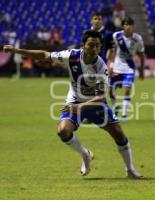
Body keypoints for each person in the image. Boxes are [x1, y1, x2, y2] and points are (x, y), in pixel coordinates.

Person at [3, 30, 143, 179]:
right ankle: (85, 154)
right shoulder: (71, 56)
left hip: (95, 104)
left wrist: (80, 107)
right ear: (83, 45)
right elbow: (44, 55)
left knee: (119, 134)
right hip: (75, 100)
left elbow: (101, 97)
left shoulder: (101, 67)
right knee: (63, 130)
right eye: (91, 45)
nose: (94, 49)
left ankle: (130, 169)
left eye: (97, 46)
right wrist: (16, 50)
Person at [107, 16, 145, 121]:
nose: (128, 26)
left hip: (129, 68)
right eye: (126, 24)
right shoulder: (116, 36)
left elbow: (141, 54)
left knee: (127, 89)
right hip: (116, 67)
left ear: (133, 26)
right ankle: (115, 107)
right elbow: (112, 51)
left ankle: (124, 115)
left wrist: (141, 71)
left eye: (130, 24)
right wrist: (110, 65)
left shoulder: (138, 39)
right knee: (110, 90)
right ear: (123, 26)